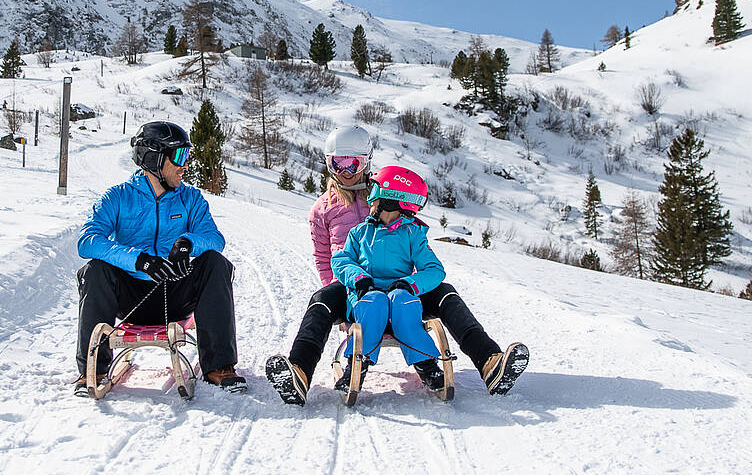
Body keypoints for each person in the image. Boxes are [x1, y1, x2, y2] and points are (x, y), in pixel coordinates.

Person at [265, 125, 527, 403]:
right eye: (337, 163)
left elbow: (415, 230)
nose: (345, 171)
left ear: (366, 161)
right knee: (321, 300)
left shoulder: (385, 193)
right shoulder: (322, 208)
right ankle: (299, 373)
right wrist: (347, 299)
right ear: (328, 163)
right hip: (356, 288)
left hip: (402, 289)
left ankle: (490, 363)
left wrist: (411, 284)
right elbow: (324, 258)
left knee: (446, 292)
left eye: (353, 163)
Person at [75, 121, 246, 395]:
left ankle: (219, 366)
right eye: (179, 156)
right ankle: (93, 371)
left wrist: (187, 243)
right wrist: (139, 260)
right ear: (153, 157)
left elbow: (215, 239)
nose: (185, 165)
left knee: (215, 262)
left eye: (187, 156)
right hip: (131, 298)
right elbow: (88, 241)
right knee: (95, 270)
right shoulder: (118, 197)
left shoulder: (191, 199)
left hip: (175, 295)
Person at [330, 164, 449, 392]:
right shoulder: (360, 232)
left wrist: (410, 284)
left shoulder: (412, 234)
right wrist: (360, 279)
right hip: (367, 297)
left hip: (399, 298)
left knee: (402, 301)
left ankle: (426, 364)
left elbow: (434, 270)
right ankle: (357, 364)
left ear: (391, 198)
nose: (370, 199)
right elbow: (341, 260)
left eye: (374, 192)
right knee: (374, 302)